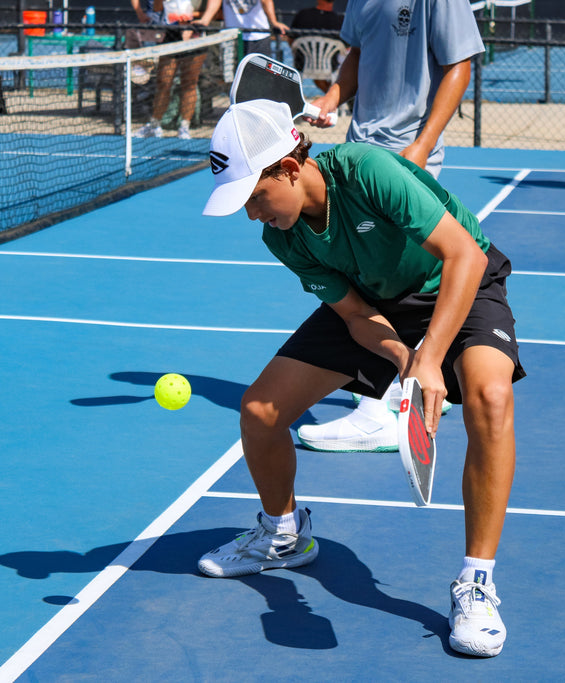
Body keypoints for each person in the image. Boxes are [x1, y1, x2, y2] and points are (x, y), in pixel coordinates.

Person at [198, 99, 525, 658]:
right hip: (376, 305)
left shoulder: (367, 170)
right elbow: (353, 316)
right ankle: (283, 535)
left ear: (290, 167)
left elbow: (464, 256)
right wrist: (405, 359)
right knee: (259, 411)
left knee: (489, 399)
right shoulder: (284, 236)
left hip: (456, 282)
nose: (253, 213)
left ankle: (476, 583)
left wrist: (433, 354)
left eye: (255, 196)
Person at [296, 0, 485, 454]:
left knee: (394, 280)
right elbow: (358, 54)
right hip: (359, 147)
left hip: (405, 156)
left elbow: (460, 65)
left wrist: (422, 146)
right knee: (369, 276)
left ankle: (377, 410)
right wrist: (332, 97)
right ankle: (402, 389)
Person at [131, 0, 209, 139]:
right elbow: (157, 7)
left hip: (195, 32)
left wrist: (198, 19)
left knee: (189, 83)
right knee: (164, 81)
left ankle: (184, 127)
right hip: (171, 32)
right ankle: (155, 125)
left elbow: (213, 6)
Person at [194, 0, 288, 57]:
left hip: (258, 36)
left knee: (259, 76)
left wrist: (274, 22)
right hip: (232, 37)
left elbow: (266, 1)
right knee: (232, 78)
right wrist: (205, 20)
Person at [288, 0, 343, 93]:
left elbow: (291, 40)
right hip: (330, 66)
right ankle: (335, 97)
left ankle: (331, 97)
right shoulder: (339, 20)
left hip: (304, 63)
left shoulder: (303, 15)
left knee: (317, 71)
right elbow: (346, 47)